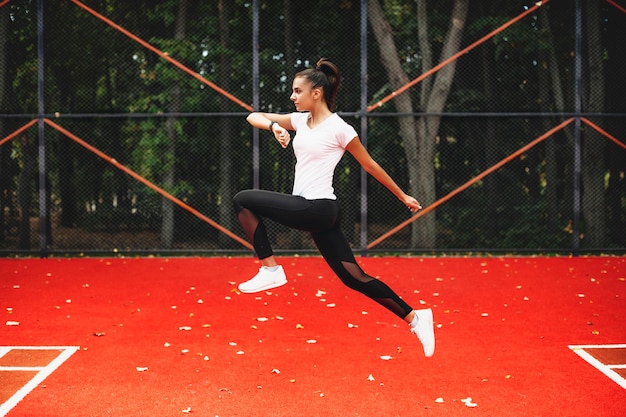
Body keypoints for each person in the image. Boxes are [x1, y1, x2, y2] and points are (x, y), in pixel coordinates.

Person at [233, 58, 435, 357]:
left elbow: (369, 164)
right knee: (353, 277)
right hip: (317, 213)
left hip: (318, 208)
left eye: (297, 91)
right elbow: (254, 116)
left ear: (316, 93)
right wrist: (275, 126)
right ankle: (417, 318)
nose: (292, 96)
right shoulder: (300, 121)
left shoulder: (340, 128)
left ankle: (270, 269)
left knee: (242, 199)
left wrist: (402, 195)